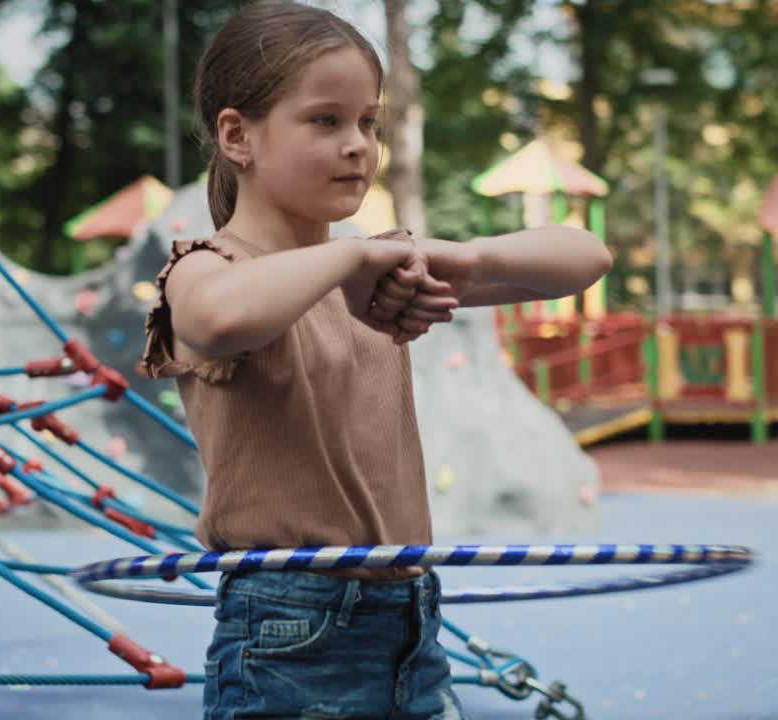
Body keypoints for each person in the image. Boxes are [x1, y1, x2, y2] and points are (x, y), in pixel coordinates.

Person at [139, 2, 612, 717]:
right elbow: (218, 317)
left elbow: (587, 258)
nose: (358, 145)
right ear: (238, 136)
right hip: (290, 624)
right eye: (326, 121)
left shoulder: (378, 270)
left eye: (368, 122)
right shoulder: (205, 268)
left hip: (411, 615)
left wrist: (469, 257)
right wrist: (352, 254)